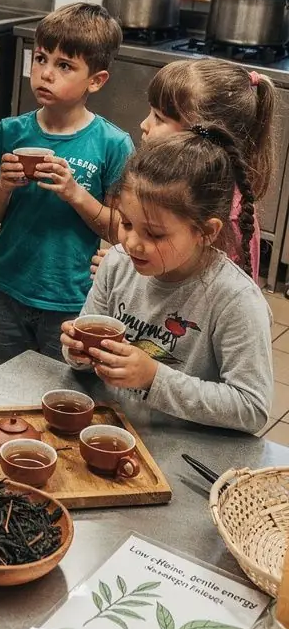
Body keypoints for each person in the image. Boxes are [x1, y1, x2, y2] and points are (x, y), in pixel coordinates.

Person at [62, 128, 273, 434]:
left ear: (206, 231)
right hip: (116, 432)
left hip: (184, 448)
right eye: (126, 223)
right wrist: (78, 351)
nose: (132, 243)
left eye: (155, 234)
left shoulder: (234, 300)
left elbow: (252, 408)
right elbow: (86, 357)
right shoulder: (118, 264)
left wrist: (153, 378)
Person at [0, 3, 133, 366]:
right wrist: (4, 188)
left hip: (72, 299)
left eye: (64, 66)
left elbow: (120, 233)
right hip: (6, 291)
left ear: (96, 80)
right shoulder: (11, 132)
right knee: (2, 393)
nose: (46, 74)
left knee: (59, 394)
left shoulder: (113, 144)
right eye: (41, 58)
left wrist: (75, 194)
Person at [92, 57, 276, 278]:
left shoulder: (223, 215)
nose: (144, 124)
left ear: (205, 135)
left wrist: (127, 272)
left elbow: (191, 292)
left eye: (159, 118)